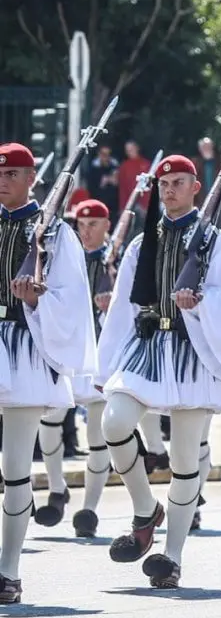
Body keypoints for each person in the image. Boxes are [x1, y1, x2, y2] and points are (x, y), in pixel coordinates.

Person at [98, 154, 221, 588]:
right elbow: (124, 306)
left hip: (194, 352)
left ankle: (172, 557)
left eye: (179, 182)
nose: (169, 190)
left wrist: (200, 301)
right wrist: (105, 363)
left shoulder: (217, 243)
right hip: (147, 346)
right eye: (164, 183)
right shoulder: (139, 243)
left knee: (186, 460)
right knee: (113, 423)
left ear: (195, 189)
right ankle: (145, 509)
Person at [0, 142, 96, 605]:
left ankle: (9, 570)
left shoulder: (55, 232)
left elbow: (74, 300)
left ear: (32, 178)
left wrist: (36, 300)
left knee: (16, 465)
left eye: (13, 174)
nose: (3, 181)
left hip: (23, 349)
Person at [31, 200, 111, 531]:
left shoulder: (119, 260)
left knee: (97, 434)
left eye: (94, 223)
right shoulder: (60, 257)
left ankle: (89, 509)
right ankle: (56, 489)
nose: (86, 230)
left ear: (107, 225)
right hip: (67, 348)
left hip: (100, 354)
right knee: (49, 424)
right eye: (82, 223)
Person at [115, 140, 151, 211]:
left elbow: (151, 185)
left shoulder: (146, 164)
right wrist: (122, 207)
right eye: (127, 150)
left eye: (131, 149)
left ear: (137, 148)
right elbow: (122, 187)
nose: (129, 152)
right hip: (129, 203)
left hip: (144, 204)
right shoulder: (124, 166)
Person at [85, 144, 120, 211]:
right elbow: (92, 188)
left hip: (114, 205)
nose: (105, 156)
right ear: (99, 154)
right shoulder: (92, 169)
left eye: (108, 154)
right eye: (103, 153)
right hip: (97, 204)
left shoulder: (115, 166)